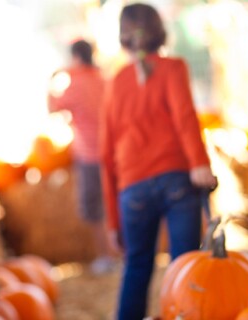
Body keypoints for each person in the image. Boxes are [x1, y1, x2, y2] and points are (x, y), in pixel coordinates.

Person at [99, 3, 217, 320]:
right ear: (160, 32)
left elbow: (106, 154)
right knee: (185, 267)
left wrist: (113, 220)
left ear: (123, 39)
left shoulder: (114, 84)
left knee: (136, 266)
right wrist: (199, 164)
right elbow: (184, 117)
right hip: (177, 179)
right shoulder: (173, 68)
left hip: (132, 190)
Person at [48, 40, 116, 274]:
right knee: (115, 203)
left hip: (89, 155)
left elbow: (52, 108)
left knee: (94, 207)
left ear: (76, 58)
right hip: (112, 152)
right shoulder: (104, 80)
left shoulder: (74, 85)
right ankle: (124, 253)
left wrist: (53, 79)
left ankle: (105, 256)